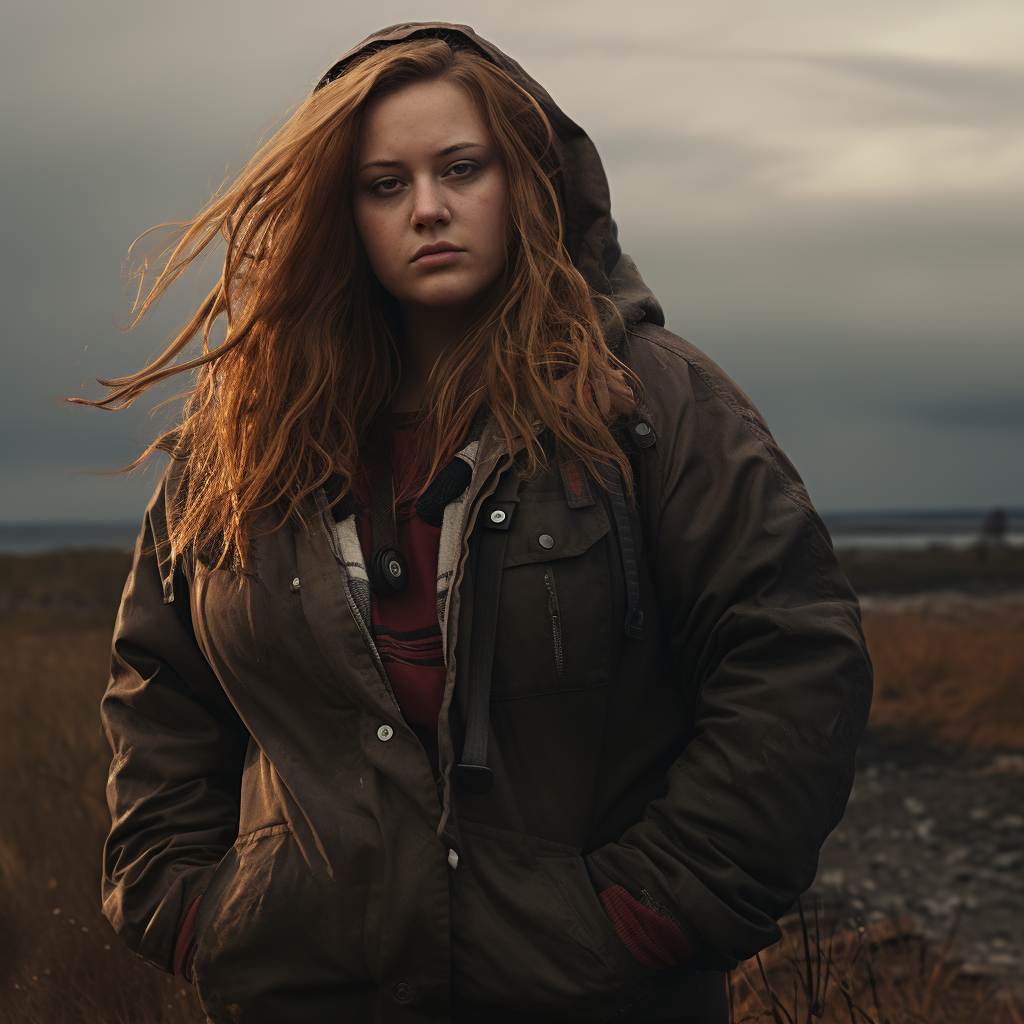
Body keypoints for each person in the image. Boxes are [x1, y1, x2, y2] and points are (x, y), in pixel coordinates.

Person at [82, 22, 872, 1024]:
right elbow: (160, 679)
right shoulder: (245, 436)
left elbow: (795, 657)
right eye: (383, 184)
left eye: (461, 168)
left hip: (591, 994)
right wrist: (193, 905)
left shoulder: (650, 404)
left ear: (527, 184)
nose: (427, 208)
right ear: (343, 211)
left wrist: (644, 914)